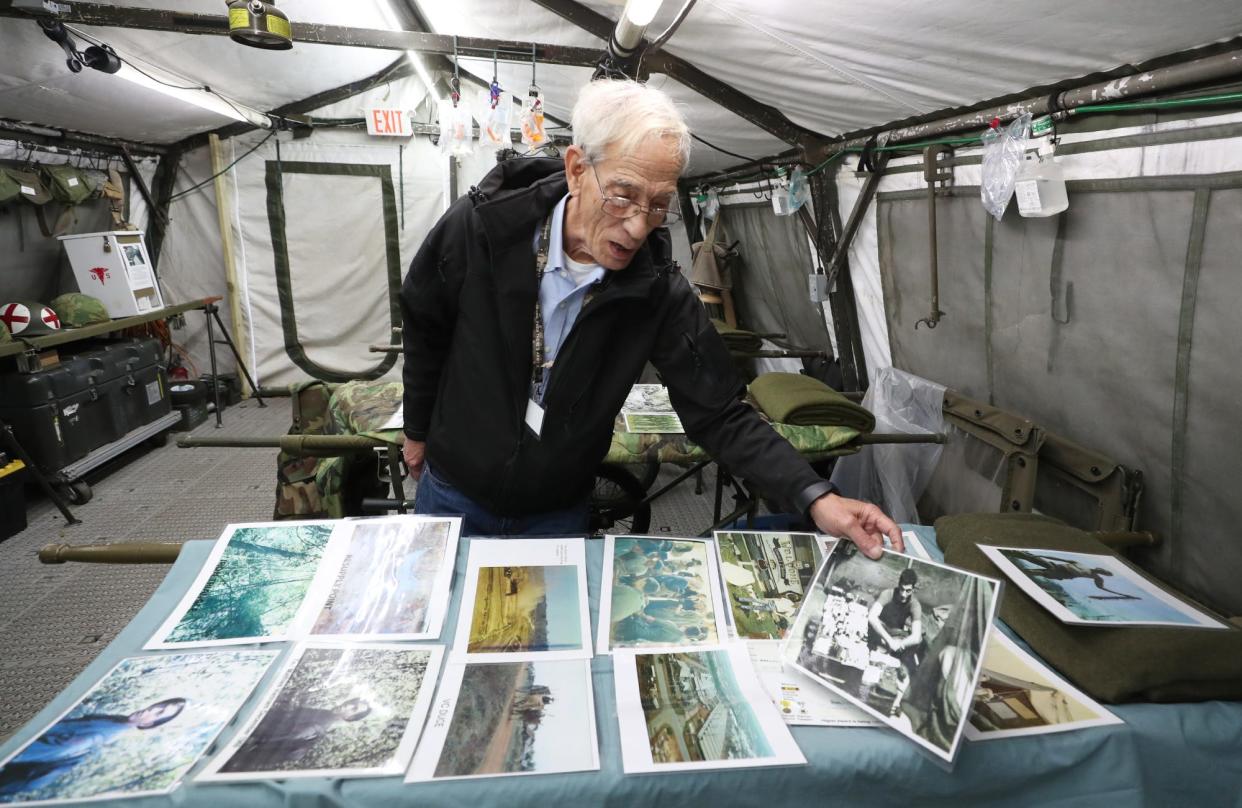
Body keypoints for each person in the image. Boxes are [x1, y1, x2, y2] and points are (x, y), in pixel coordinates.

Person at [400, 78, 902, 557]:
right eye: (622, 195)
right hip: (454, 493)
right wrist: (418, 429)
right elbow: (426, 323)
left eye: (659, 205)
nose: (639, 226)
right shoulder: (482, 228)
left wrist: (817, 496)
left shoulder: (656, 289)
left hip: (556, 509)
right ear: (577, 169)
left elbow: (718, 411)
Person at [0, 698, 186, 797]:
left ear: (149, 724)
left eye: (159, 712)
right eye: (158, 705)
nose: (150, 709)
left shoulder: (102, 735)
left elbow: (29, 752)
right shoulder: (116, 720)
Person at [225, 697, 371, 771]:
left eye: (354, 708)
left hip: (245, 741)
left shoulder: (321, 724)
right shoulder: (323, 714)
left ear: (350, 718)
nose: (348, 705)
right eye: (352, 702)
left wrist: (253, 739)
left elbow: (286, 736)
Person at [865, 567, 925, 713]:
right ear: (899, 585)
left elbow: (916, 636)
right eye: (902, 589)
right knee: (871, 656)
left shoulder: (915, 604)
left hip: (896, 637)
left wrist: (899, 643)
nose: (904, 594)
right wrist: (888, 641)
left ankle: (894, 703)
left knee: (906, 668)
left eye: (908, 591)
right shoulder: (888, 594)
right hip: (881, 631)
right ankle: (868, 689)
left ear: (913, 589)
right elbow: (872, 617)